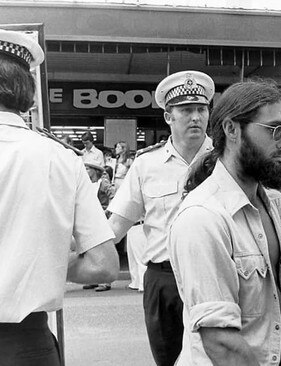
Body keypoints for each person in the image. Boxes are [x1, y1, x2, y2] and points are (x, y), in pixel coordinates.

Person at [168, 80, 281, 366]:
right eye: (274, 130)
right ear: (232, 129)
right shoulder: (203, 217)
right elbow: (222, 343)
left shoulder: (270, 202)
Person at [0, 29, 119, 365]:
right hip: (26, 345)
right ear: (26, 90)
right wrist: (50, 266)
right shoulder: (61, 159)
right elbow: (104, 264)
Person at [107, 70, 215, 366]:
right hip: (164, 280)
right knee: (168, 358)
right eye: (185, 110)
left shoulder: (228, 159)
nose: (195, 117)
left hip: (216, 274)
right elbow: (117, 224)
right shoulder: (146, 164)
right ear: (168, 116)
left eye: (201, 109)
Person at [82, 162, 117, 292]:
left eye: (87, 169)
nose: (85, 171)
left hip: (101, 218)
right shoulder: (85, 184)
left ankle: (105, 281)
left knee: (103, 248)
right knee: (90, 249)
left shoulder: (103, 183)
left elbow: (113, 195)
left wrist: (108, 210)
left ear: (94, 171)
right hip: (89, 219)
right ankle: (94, 279)